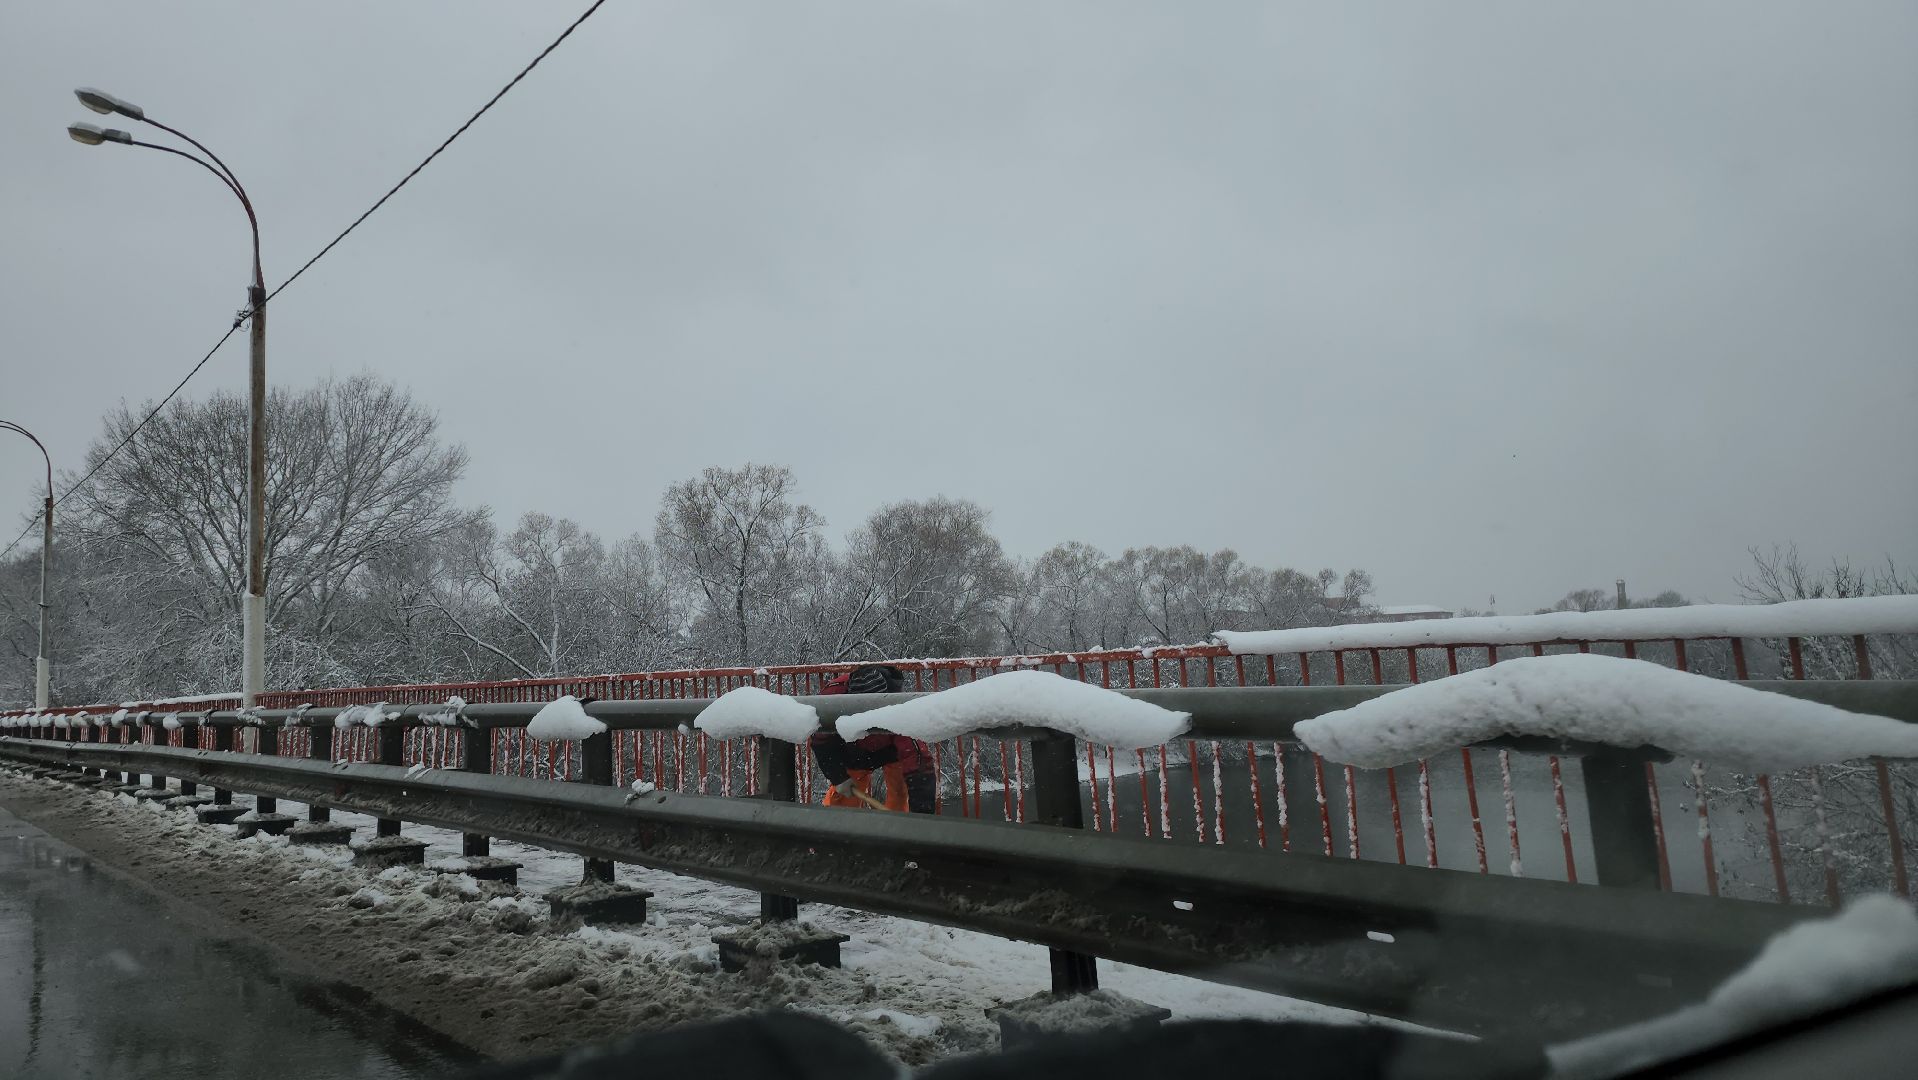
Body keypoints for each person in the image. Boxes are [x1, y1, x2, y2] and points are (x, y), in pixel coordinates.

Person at [808, 664, 936, 813]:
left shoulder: (900, 712)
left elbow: (918, 764)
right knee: (842, 807)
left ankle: (899, 829)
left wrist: (921, 818)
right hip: (852, 753)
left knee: (900, 795)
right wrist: (838, 777)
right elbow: (821, 742)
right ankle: (839, 834)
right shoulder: (832, 698)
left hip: (892, 752)